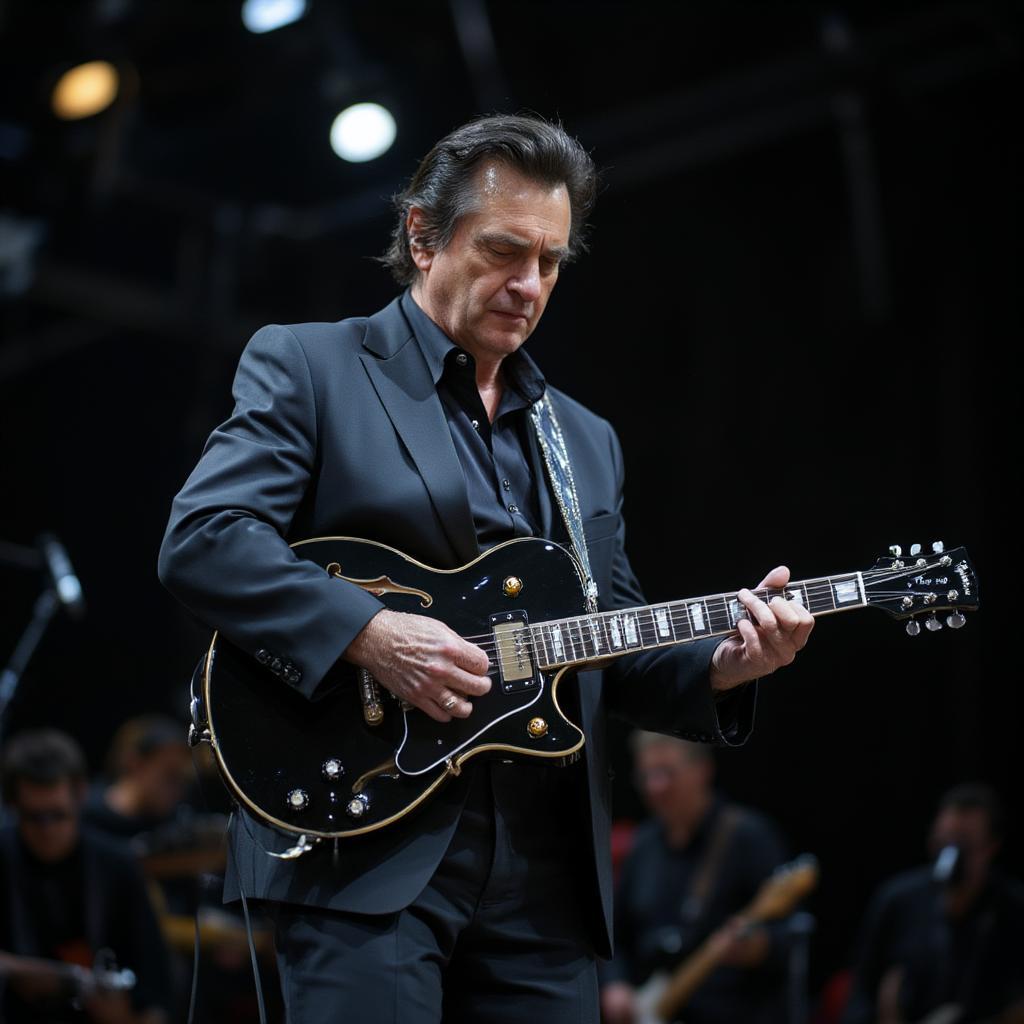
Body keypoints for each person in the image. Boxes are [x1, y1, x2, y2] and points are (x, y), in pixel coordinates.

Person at [157, 113, 815, 1023]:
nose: (529, 285)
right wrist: (372, 635)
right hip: (365, 846)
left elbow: (607, 640)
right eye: (506, 251)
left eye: (550, 262)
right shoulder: (312, 365)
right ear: (422, 235)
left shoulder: (584, 438)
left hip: (546, 878)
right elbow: (207, 538)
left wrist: (727, 666)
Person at [599, 731, 793, 1024]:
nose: (656, 787)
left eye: (666, 773)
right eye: (646, 775)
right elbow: (615, 936)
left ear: (702, 770)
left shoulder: (748, 837)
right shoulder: (643, 845)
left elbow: (792, 935)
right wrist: (614, 984)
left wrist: (759, 946)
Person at [0, 729, 174, 1024]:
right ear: (13, 806)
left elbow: (158, 989)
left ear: (80, 796)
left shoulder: (117, 866)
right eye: (34, 817)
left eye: (58, 815)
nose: (48, 830)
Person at [842, 784, 1024, 1024]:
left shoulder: (1013, 907)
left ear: (991, 847)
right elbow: (860, 994)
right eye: (944, 841)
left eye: (963, 843)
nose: (951, 854)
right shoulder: (897, 900)